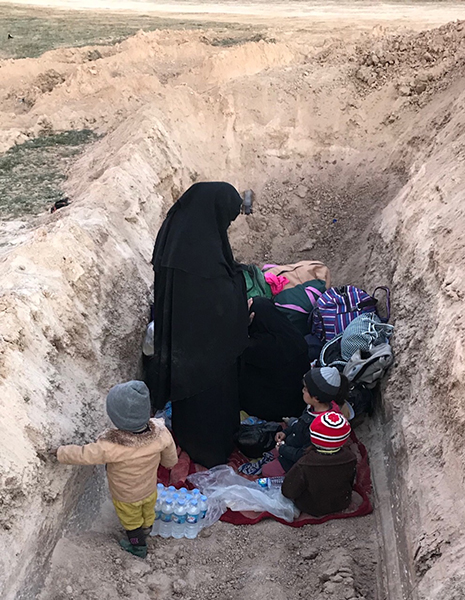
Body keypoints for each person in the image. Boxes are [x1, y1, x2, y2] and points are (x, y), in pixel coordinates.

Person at [148, 182, 249, 468]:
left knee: (191, 404)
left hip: (183, 343)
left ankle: (191, 441)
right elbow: (220, 302)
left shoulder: (178, 235)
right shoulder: (203, 254)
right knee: (210, 402)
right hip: (207, 353)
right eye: (226, 219)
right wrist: (238, 284)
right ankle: (211, 450)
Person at [51, 381, 178, 558]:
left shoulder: (112, 446)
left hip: (126, 496)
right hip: (149, 488)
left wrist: (60, 452)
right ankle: (147, 528)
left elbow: (84, 454)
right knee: (148, 511)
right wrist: (168, 464)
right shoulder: (161, 434)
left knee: (131, 521)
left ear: (117, 418)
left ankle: (138, 546)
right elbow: (170, 456)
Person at [261, 367, 346, 476]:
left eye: (305, 389)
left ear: (315, 397)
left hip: (296, 462)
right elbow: (299, 423)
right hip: (292, 445)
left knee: (266, 470)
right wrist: (285, 433)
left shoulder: (321, 427)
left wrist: (283, 449)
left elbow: (304, 455)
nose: (302, 390)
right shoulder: (313, 407)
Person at [239, 296, 310, 421]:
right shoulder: (292, 333)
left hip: (276, 410)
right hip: (300, 399)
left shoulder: (256, 347)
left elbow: (230, 345)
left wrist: (241, 326)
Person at [282, 411, 357, 516]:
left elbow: (288, 491)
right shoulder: (351, 458)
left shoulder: (305, 463)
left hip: (311, 507)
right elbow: (351, 481)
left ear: (313, 437)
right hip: (341, 503)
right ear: (344, 439)